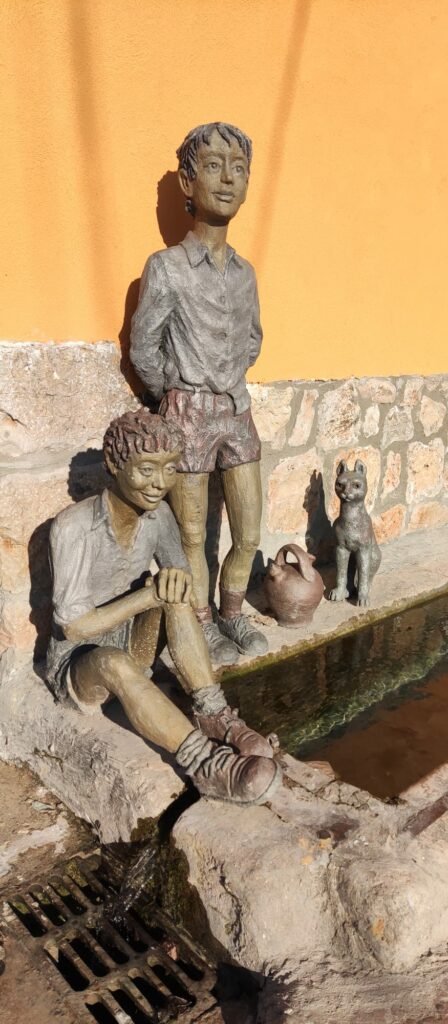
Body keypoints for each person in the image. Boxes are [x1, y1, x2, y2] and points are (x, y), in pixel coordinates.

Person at [45, 408, 280, 805]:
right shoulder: (73, 527)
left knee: (175, 596)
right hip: (79, 663)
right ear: (115, 465)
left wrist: (174, 584)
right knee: (113, 661)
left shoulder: (158, 516)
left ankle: (213, 712)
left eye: (170, 469)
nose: (159, 483)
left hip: (133, 640)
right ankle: (205, 763)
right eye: (146, 470)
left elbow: (181, 579)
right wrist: (148, 596)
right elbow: (72, 627)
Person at [130, 122, 267, 666]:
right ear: (188, 183)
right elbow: (144, 347)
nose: (228, 179)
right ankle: (203, 624)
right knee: (190, 535)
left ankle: (232, 611)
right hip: (187, 412)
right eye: (213, 166)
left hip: (237, 412)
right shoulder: (166, 268)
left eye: (239, 169)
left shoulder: (245, 274)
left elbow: (253, 340)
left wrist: (227, 381)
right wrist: (176, 395)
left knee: (248, 530)